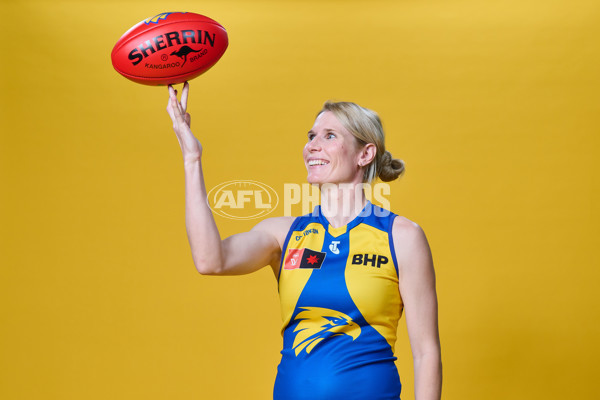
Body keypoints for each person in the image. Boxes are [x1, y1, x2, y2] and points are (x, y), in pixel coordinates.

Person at [166, 82, 442, 400]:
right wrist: (191, 158)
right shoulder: (283, 234)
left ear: (365, 154)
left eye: (329, 136)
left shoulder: (401, 236)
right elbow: (210, 261)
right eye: (311, 136)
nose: (312, 146)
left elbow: (426, 353)